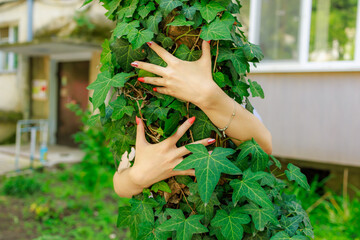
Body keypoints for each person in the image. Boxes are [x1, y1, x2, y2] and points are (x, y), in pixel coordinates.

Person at [113, 40, 272, 198]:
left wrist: (210, 98)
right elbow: (119, 185)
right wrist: (136, 178)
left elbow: (261, 151)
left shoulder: (232, 94)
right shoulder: (137, 108)